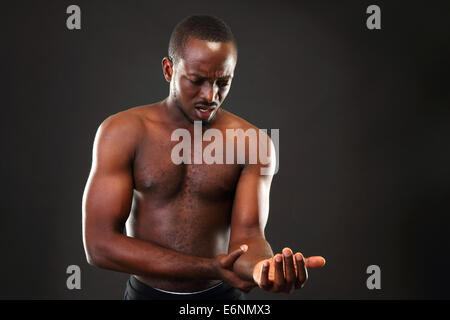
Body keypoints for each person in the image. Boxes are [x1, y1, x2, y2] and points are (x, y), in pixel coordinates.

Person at [82, 15, 325, 300]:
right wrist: (209, 267)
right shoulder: (122, 132)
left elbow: (248, 236)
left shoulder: (253, 143)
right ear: (169, 70)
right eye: (197, 81)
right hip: (146, 296)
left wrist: (262, 268)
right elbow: (99, 246)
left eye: (223, 82)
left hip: (222, 298)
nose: (211, 95)